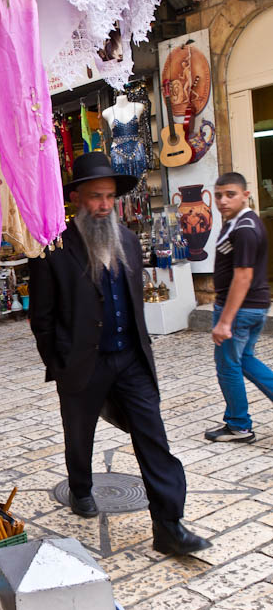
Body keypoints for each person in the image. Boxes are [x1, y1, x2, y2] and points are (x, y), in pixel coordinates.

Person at [29, 152, 211, 556]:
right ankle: (80, 488)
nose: (105, 205)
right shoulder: (52, 249)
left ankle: (168, 525)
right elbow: (40, 317)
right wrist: (59, 364)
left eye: (110, 196)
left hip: (130, 359)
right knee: (80, 434)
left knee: (154, 438)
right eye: (96, 196)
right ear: (77, 197)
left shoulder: (127, 240)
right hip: (81, 363)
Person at [206, 172, 273, 443]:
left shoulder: (245, 228)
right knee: (244, 360)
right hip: (251, 307)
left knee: (228, 365)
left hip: (240, 309)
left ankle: (238, 426)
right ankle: (237, 422)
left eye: (230, 194)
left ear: (246, 195)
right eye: (219, 194)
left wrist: (225, 321)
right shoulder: (238, 222)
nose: (223, 200)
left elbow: (243, 276)